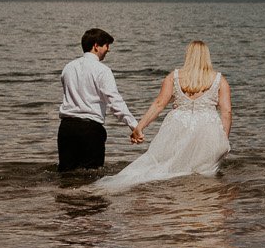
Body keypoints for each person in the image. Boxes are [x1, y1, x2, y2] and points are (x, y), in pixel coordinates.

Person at [93, 40, 232, 193]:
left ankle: (174, 197)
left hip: (179, 125)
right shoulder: (219, 80)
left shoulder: (175, 77)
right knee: (204, 173)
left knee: (169, 167)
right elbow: (226, 112)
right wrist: (223, 138)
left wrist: (140, 127)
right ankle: (201, 200)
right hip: (207, 128)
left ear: (188, 55)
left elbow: (159, 104)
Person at [57, 27, 142, 172]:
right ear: (96, 46)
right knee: (93, 176)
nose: (108, 50)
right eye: (106, 45)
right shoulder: (102, 70)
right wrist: (135, 126)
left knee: (65, 174)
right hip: (90, 129)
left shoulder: (68, 68)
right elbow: (115, 102)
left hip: (66, 128)